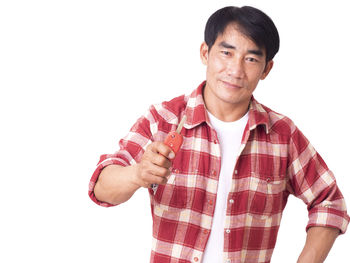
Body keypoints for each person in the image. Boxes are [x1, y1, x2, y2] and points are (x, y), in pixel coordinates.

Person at [88, 6, 349, 263]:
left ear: (266, 69)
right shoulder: (162, 120)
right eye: (226, 52)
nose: (235, 70)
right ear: (205, 52)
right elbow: (101, 187)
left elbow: (329, 202)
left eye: (251, 59)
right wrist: (136, 174)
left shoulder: (282, 135)